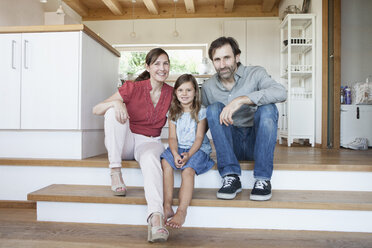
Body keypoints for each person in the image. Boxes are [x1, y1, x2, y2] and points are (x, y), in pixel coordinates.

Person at [92, 48, 172, 242]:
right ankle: (115, 170)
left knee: (152, 159)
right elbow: (97, 109)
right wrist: (116, 104)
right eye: (157, 64)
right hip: (126, 142)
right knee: (111, 112)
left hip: (149, 142)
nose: (162, 68)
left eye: (166, 63)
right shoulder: (133, 88)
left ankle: (156, 218)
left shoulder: (171, 92)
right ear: (148, 67)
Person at [201, 37, 287, 201]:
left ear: (237, 57)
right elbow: (203, 121)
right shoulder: (208, 87)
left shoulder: (256, 73)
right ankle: (230, 176)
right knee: (212, 109)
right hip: (230, 146)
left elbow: (280, 92)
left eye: (227, 58)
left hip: (257, 143)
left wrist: (241, 99)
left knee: (269, 108)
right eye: (217, 60)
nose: (222, 64)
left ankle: (262, 179)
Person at [161, 74, 214, 229]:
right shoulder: (173, 112)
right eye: (180, 90)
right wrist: (176, 153)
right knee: (165, 162)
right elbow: (171, 138)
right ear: (175, 93)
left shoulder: (201, 112)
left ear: (195, 92)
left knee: (187, 170)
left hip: (197, 149)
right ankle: (167, 205)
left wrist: (189, 155)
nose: (184, 94)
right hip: (178, 147)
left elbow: (199, 138)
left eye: (188, 90)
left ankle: (182, 211)